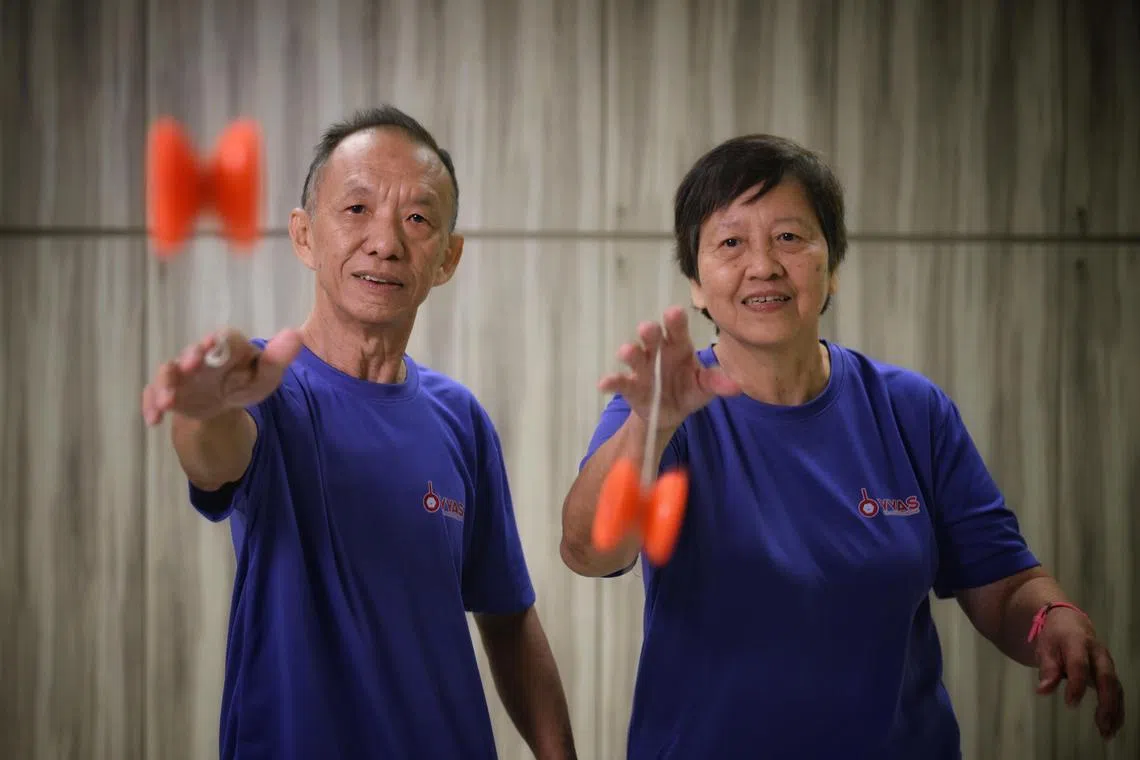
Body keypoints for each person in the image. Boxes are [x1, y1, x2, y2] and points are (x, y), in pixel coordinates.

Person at [558, 134, 1125, 759]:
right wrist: (651, 426)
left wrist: (1053, 619)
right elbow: (590, 552)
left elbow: (1005, 585)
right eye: (730, 243)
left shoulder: (912, 409)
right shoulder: (664, 411)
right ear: (695, 282)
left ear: (831, 267)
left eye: (789, 237)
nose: (763, 265)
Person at [142, 105, 577, 760]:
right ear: (304, 236)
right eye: (356, 209)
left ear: (448, 257)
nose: (386, 242)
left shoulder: (461, 419)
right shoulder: (264, 387)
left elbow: (509, 616)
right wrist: (202, 409)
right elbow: (214, 458)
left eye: (418, 219)